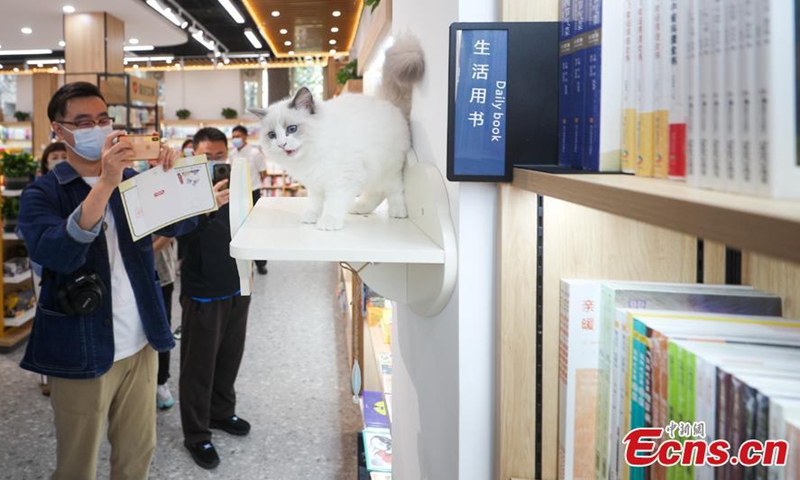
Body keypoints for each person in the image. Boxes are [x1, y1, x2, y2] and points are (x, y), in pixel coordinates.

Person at [17, 81, 198, 479]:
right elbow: (58, 253)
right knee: (77, 464)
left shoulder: (133, 181)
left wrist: (174, 178)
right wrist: (105, 182)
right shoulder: (41, 194)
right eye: (83, 121)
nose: (96, 127)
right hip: (80, 350)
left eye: (102, 119)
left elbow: (183, 223)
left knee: (138, 453)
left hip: (141, 341)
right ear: (58, 130)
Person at [177, 127, 252, 470]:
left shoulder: (239, 181)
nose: (214, 162)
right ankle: (196, 433)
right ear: (193, 153)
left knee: (229, 358)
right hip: (203, 291)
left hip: (237, 283)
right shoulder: (181, 189)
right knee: (199, 366)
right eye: (206, 156)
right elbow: (174, 232)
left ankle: (222, 412)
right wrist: (205, 205)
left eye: (219, 156)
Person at [230, 125, 268, 274]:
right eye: (233, 136)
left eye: (238, 136)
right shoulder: (232, 153)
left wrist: (253, 182)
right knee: (238, 228)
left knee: (256, 229)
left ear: (245, 136)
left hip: (253, 193)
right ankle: (243, 263)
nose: (235, 139)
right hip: (237, 194)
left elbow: (264, 172)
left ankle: (260, 263)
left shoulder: (254, 153)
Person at [153, 233, 178, 409]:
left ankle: (161, 382)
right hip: (121, 273)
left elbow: (171, 230)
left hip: (159, 270)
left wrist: (144, 252)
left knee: (161, 328)